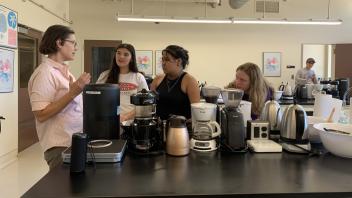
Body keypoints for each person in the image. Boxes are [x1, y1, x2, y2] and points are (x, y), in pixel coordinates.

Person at [28, 25, 91, 170]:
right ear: (59, 43)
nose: (76, 47)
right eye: (73, 43)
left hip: (73, 141)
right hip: (60, 146)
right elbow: (41, 114)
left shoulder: (65, 73)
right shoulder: (44, 73)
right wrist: (73, 93)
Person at [96, 43, 148, 122]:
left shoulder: (138, 77)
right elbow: (97, 99)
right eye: (118, 53)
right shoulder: (105, 75)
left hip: (131, 124)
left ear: (131, 58)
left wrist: (125, 117)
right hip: (108, 122)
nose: (121, 56)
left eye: (126, 54)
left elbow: (145, 104)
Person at [150, 45, 200, 120]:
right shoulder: (157, 79)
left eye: (167, 60)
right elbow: (150, 105)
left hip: (181, 128)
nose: (163, 63)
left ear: (178, 62)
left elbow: (196, 113)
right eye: (162, 60)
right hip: (159, 127)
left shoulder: (190, 81)